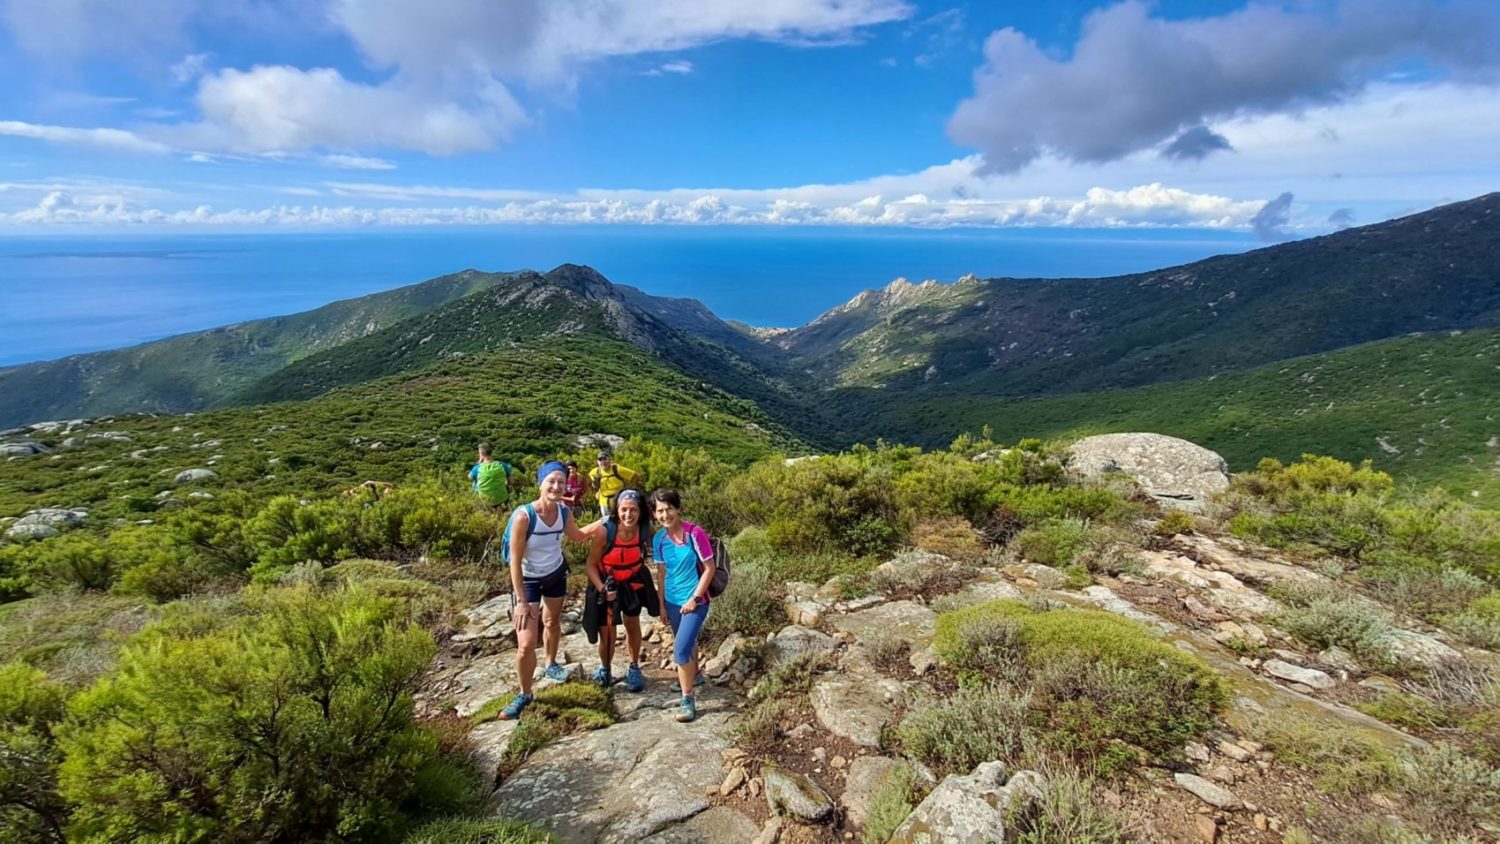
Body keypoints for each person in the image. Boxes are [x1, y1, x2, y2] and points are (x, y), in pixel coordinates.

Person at [497, 461, 593, 720]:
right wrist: (520, 601)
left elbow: (577, 536)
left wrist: (606, 520)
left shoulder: (563, 512)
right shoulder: (524, 516)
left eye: (561, 482)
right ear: (540, 483)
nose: (556, 486)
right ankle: (525, 693)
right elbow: (514, 562)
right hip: (527, 581)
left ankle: (551, 664)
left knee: (551, 621)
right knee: (526, 644)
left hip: (555, 574)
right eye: (551, 481)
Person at [650, 488, 716, 723]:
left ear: (678, 509)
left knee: (680, 650)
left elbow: (710, 568)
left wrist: (695, 598)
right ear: (654, 514)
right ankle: (695, 675)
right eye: (660, 510)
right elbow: (661, 574)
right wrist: (662, 606)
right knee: (687, 644)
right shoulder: (659, 539)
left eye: (669, 509)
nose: (665, 514)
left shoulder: (695, 534)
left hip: (695, 601)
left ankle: (688, 699)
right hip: (672, 601)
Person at [583, 489, 658, 692]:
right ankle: (605, 669)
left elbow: (664, 545)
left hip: (632, 582)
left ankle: (634, 667)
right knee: (607, 632)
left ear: (640, 511)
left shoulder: (645, 530)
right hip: (607, 583)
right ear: (617, 509)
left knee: (632, 624)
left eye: (633, 510)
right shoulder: (605, 532)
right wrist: (602, 589)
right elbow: (590, 565)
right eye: (624, 509)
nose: (628, 515)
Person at [589, 452, 638, 519]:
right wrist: (597, 491)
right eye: (600, 460)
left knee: (620, 520)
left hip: (618, 500)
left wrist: (630, 489)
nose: (603, 462)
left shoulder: (617, 469)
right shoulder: (595, 472)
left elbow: (634, 476)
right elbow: (592, 484)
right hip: (604, 501)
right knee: (606, 521)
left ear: (609, 460)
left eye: (605, 459)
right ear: (597, 462)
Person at [469, 443, 514, 508]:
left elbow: (470, 477)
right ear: (491, 453)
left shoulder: (477, 468)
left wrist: (479, 462)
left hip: (486, 500)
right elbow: (511, 482)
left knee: (474, 483)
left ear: (481, 454)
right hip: (502, 499)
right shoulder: (503, 465)